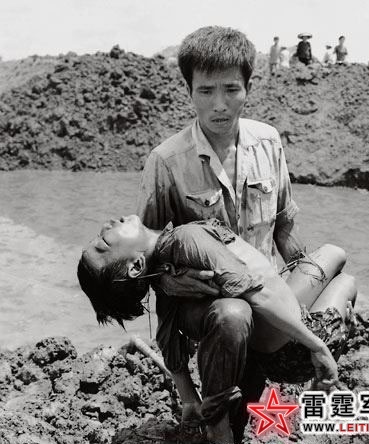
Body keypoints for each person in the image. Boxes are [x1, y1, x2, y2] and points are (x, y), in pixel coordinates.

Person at [136, 26, 355, 443]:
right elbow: (148, 261)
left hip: (265, 297)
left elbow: (284, 229)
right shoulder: (166, 162)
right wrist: (183, 385)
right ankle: (217, 420)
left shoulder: (268, 142)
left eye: (231, 89)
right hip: (210, 309)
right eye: (206, 91)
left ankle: (267, 378)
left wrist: (304, 305)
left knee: (341, 280)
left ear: (248, 89)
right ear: (189, 91)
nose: (219, 104)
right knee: (233, 315)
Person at [78, 215, 357, 439]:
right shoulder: (185, 239)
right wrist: (318, 347)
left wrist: (190, 401)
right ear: (136, 265)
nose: (107, 225)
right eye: (104, 242)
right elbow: (257, 294)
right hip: (296, 350)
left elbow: (169, 345)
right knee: (340, 264)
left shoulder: (165, 278)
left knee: (328, 263)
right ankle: (325, 362)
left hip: (271, 350)